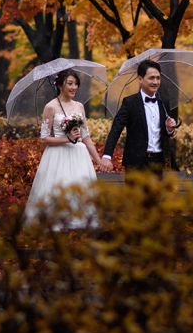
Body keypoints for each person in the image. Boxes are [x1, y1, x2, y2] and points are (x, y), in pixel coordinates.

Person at [24, 69, 109, 224]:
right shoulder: (50, 107)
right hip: (57, 156)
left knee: (80, 192)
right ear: (59, 85)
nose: (74, 87)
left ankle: (80, 229)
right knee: (58, 192)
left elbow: (86, 137)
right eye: (70, 83)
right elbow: (44, 138)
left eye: (76, 84)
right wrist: (66, 139)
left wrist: (98, 160)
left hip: (79, 157)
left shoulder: (79, 107)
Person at [101, 59, 177, 173]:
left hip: (158, 163)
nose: (155, 82)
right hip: (135, 164)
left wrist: (169, 129)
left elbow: (163, 134)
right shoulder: (129, 102)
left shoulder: (164, 102)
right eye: (151, 78)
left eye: (158, 78)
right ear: (140, 79)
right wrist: (107, 156)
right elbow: (116, 129)